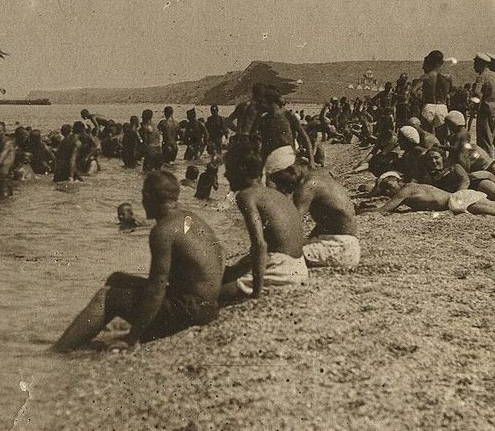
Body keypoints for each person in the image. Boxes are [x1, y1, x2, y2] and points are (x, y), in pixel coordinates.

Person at [51, 171, 224, 351]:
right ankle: (89, 332)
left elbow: (156, 289)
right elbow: (221, 253)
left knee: (106, 296)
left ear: (148, 196)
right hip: (206, 307)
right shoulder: (190, 218)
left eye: (143, 195)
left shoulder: (163, 230)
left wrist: (132, 338)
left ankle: (57, 351)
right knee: (116, 279)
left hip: (190, 311)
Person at [220, 137, 307, 301]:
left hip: (281, 270)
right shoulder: (273, 194)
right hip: (298, 266)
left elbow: (259, 244)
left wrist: (256, 292)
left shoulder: (246, 196)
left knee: (212, 296)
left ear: (242, 169)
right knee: (226, 273)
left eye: (229, 169)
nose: (225, 174)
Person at [364, 172, 495, 221]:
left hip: (459, 200)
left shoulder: (405, 190)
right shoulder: (411, 188)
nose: (389, 189)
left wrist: (363, 212)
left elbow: (384, 211)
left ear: (397, 180)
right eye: (385, 188)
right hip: (463, 196)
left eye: (389, 184)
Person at [271, 163, 360, 269]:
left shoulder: (307, 186)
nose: (283, 188)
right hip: (346, 247)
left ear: (291, 171)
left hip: (339, 248)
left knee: (275, 257)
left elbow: (292, 223)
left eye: (282, 181)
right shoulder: (320, 176)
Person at [473, 53, 495, 166]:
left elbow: (477, 93)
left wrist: (475, 105)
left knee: (485, 142)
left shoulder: (482, 76)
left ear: (481, 63)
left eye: (475, 63)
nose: (474, 66)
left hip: (486, 111)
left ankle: (488, 167)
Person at [411, 50, 454, 134]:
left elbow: (413, 91)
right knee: (442, 135)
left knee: (426, 134)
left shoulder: (426, 76)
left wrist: (421, 100)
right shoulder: (448, 77)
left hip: (429, 105)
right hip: (442, 106)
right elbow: (452, 91)